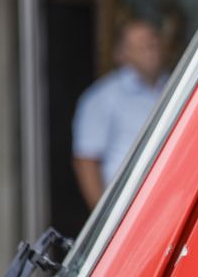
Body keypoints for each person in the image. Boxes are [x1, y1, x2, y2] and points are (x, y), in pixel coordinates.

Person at [72, 19, 168, 209]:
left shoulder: (177, 86)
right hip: (128, 206)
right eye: (140, 45)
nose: (149, 49)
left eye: (152, 42)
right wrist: (103, 215)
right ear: (121, 53)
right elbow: (86, 161)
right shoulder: (103, 96)